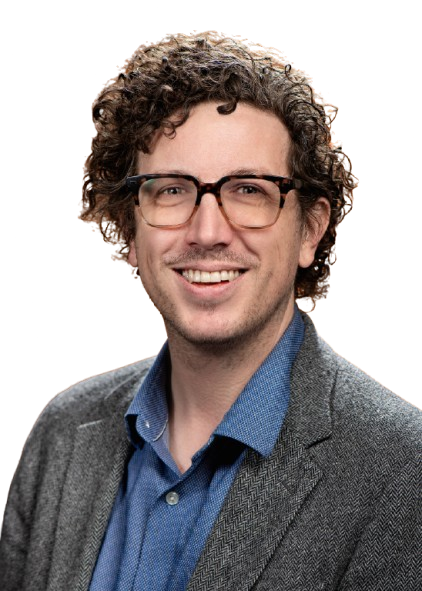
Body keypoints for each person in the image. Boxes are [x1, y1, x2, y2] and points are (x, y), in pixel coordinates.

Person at [1, 31, 421, 591]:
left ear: (310, 230)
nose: (207, 231)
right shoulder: (62, 431)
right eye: (171, 190)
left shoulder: (402, 468)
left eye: (248, 190)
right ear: (129, 226)